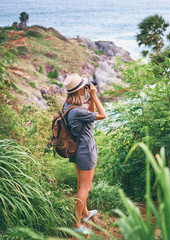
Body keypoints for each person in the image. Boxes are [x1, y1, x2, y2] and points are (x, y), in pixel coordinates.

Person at [63, 73, 106, 234]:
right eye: (84, 86)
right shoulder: (76, 111)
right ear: (80, 90)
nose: (86, 87)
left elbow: (89, 116)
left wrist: (90, 100)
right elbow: (103, 115)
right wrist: (94, 96)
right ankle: (76, 225)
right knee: (85, 187)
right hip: (85, 151)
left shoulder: (68, 106)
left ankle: (85, 214)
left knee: (81, 185)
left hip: (77, 150)